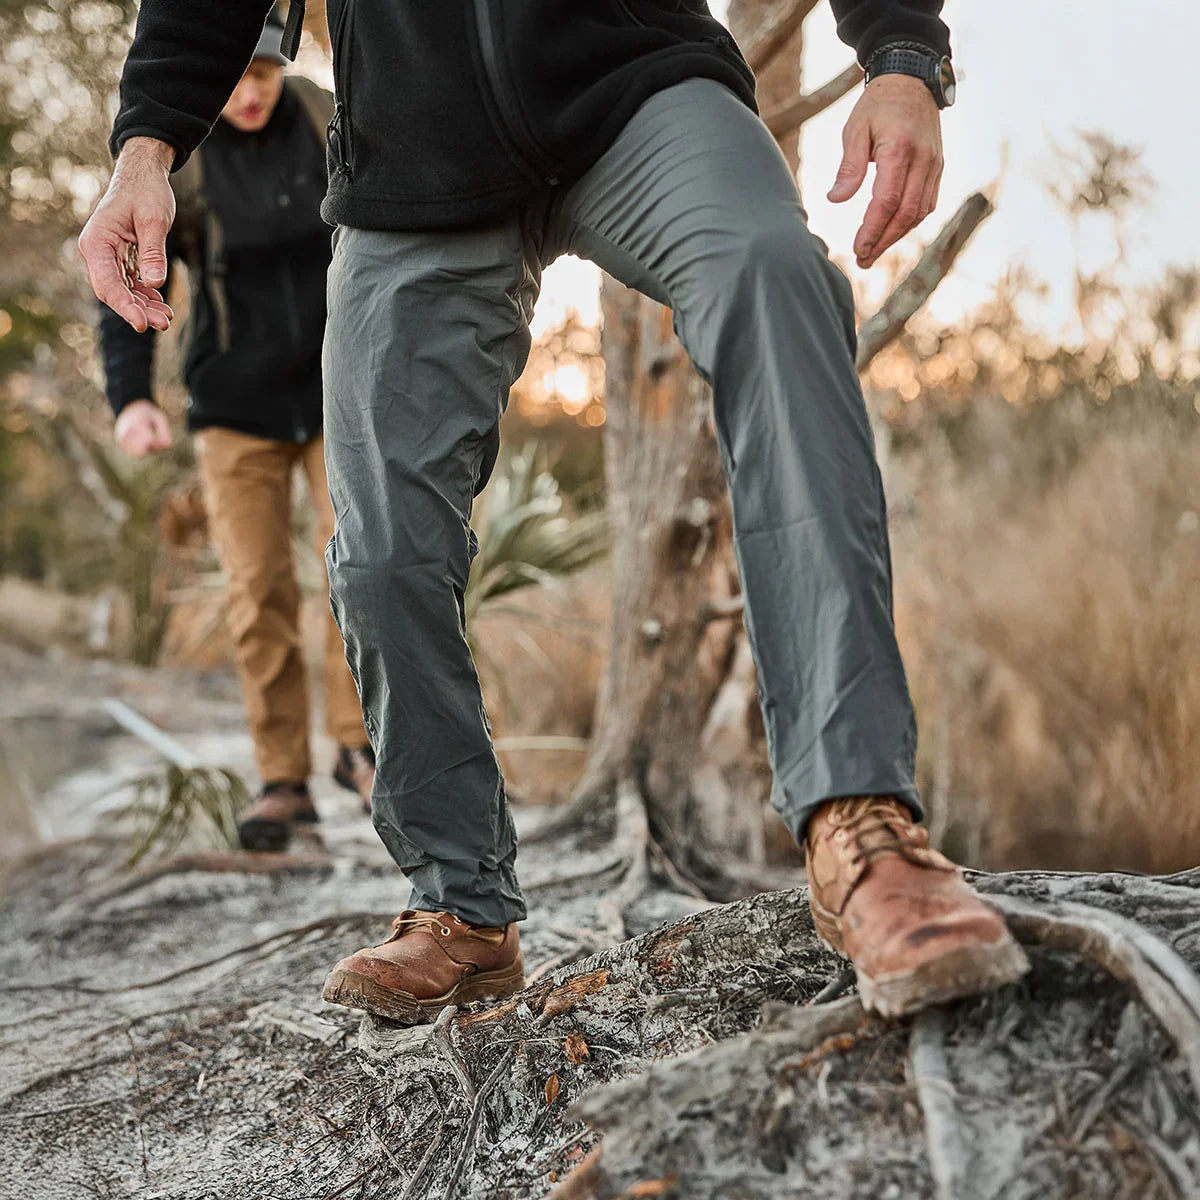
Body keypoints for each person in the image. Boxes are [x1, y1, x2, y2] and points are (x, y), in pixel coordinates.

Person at [81, 0, 1029, 1023]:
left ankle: (861, 825)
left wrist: (898, 54)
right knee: (382, 553)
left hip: (634, 80)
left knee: (773, 276)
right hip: (416, 150)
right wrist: (146, 149)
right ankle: (461, 905)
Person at [96, 11, 377, 853]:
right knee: (258, 592)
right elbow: (118, 277)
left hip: (339, 394)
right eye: (234, 74)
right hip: (233, 412)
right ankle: (281, 781)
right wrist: (130, 399)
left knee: (357, 573)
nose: (247, 92)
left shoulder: (333, 120)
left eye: (262, 74)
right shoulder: (183, 161)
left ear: (280, 67)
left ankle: (357, 749)